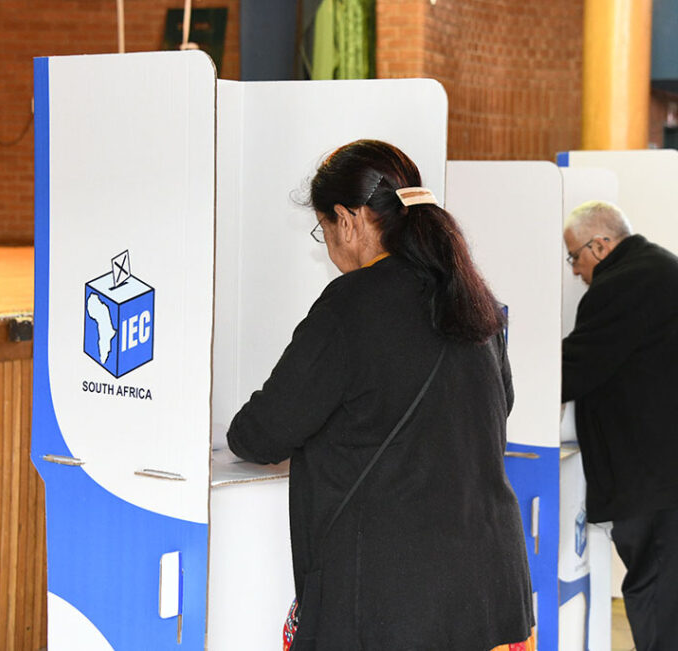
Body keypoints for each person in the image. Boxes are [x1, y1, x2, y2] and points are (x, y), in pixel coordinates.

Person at [227, 140, 535, 650]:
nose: (327, 243)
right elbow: (498, 405)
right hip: (491, 591)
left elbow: (262, 433)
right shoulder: (472, 296)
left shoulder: (351, 305)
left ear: (347, 219)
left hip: (393, 602)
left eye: (323, 228)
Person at [561, 201, 678, 651]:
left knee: (666, 606)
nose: (574, 270)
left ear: (601, 245)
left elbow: (576, 368)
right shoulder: (664, 268)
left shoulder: (623, 285)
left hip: (672, 478)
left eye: (575, 257)